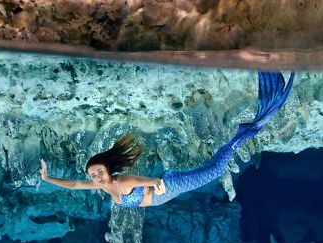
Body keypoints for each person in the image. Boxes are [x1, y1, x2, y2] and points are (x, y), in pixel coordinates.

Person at [39, 71, 295, 208]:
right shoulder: (103, 187)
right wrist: (48, 179)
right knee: (212, 168)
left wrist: (158, 185)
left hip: (170, 187)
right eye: (93, 175)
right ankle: (243, 132)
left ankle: (246, 132)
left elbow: (149, 181)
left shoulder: (121, 181)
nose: (96, 177)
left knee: (216, 170)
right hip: (166, 189)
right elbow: (74, 185)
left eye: (98, 172)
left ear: (107, 169)